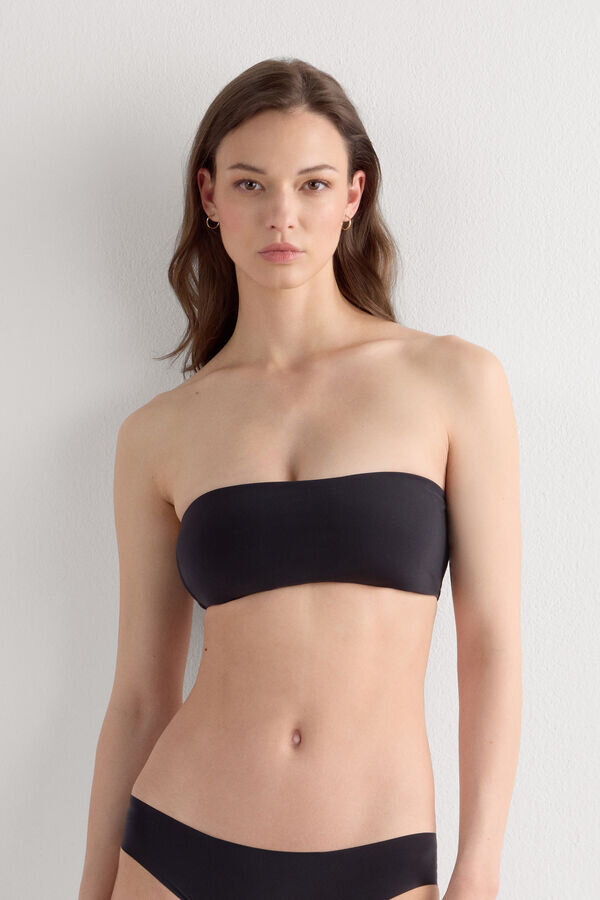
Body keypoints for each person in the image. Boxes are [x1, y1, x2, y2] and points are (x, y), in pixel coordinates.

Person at [79, 58, 522, 900]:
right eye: (251, 184)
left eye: (312, 184)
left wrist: (481, 867)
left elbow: (491, 645)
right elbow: (139, 696)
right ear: (209, 195)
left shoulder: (453, 382)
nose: (282, 214)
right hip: (178, 845)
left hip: (379, 852)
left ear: (353, 195)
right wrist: (90, 888)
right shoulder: (158, 433)